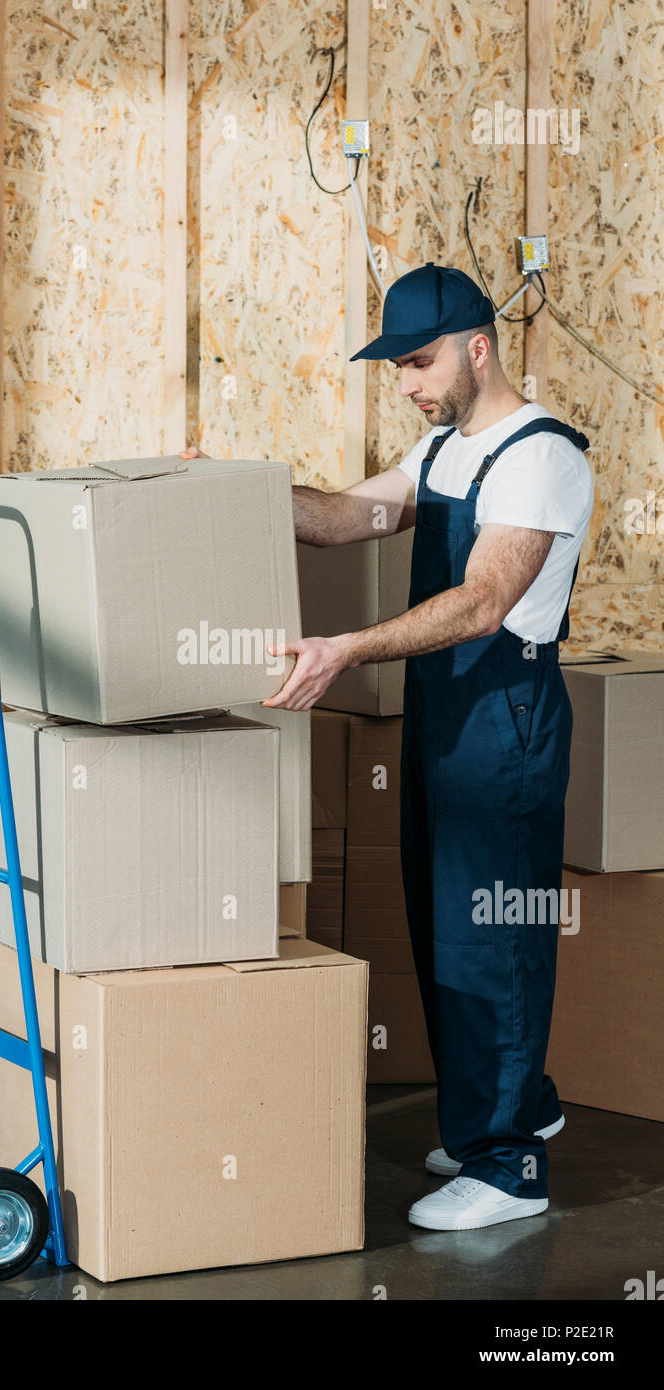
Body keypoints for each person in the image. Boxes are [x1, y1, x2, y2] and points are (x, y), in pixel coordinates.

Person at [180, 261, 594, 1230]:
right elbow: (341, 521)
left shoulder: (539, 457)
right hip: (443, 710)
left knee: (493, 932)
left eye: (418, 362)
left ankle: (508, 1167)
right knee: (443, 916)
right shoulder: (444, 449)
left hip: (506, 714)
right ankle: (516, 1107)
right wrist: (239, 490)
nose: (406, 383)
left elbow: (485, 601)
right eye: (399, 365)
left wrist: (347, 648)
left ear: (477, 347)